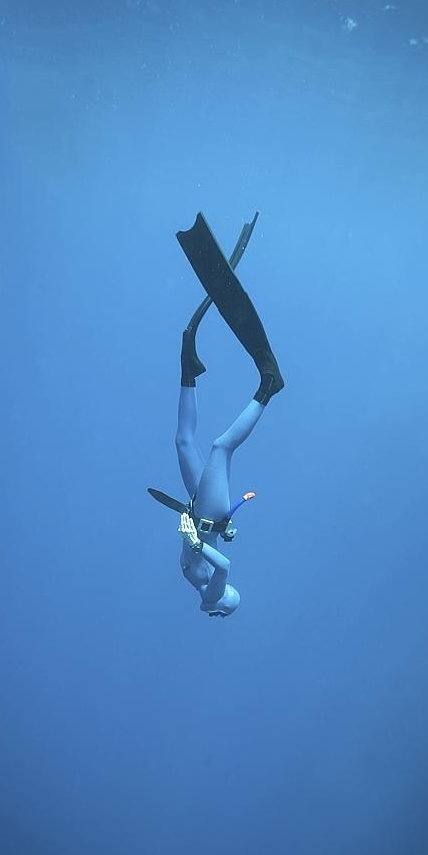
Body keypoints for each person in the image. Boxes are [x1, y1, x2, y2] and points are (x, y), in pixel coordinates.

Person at [149, 212, 284, 617]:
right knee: (220, 447)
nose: (213, 603)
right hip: (209, 513)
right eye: (220, 605)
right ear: (222, 606)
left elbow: (214, 561)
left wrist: (196, 540)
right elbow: (223, 564)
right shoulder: (211, 589)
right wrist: (196, 544)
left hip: (199, 508)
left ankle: (189, 368)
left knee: (183, 441)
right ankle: (268, 386)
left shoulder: (203, 590)